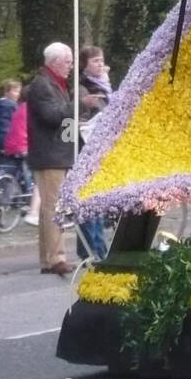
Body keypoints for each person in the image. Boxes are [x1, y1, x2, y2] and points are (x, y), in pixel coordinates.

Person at [27, 43, 103, 277]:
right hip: (50, 155)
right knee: (54, 208)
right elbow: (51, 116)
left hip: (55, 152)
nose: (71, 67)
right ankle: (56, 258)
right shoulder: (43, 85)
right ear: (55, 62)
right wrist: (82, 103)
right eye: (68, 62)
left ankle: (48, 258)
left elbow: (59, 117)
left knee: (50, 209)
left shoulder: (54, 84)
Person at [75, 45, 113, 260]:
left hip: (102, 145)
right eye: (95, 61)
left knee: (99, 197)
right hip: (88, 146)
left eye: (101, 60)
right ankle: (94, 247)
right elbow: (80, 114)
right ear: (85, 65)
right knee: (90, 198)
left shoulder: (104, 84)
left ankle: (95, 245)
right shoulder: (83, 87)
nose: (100, 64)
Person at [2, 89, 39, 225]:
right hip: (23, 146)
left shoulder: (20, 108)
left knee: (23, 173)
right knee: (40, 176)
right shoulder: (32, 110)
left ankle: (25, 198)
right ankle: (33, 210)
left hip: (12, 145)